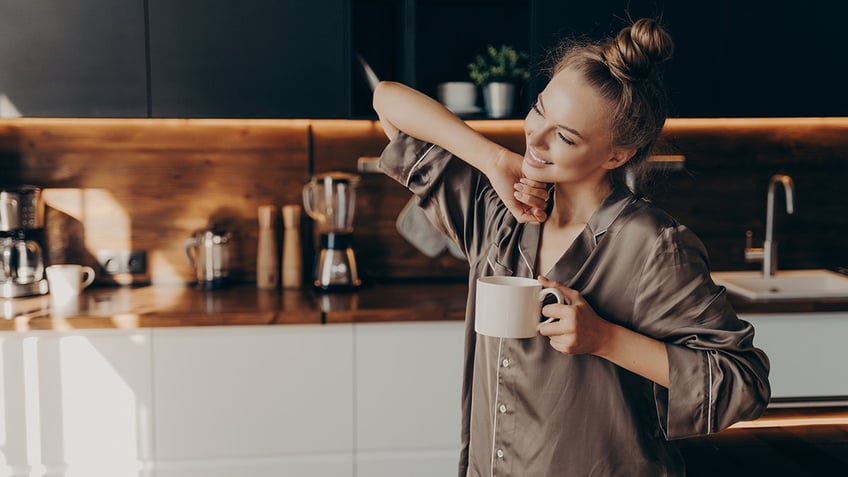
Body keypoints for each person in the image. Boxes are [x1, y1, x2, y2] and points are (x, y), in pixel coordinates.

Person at [373, 17, 770, 477]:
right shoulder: (497, 214)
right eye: (539, 110)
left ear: (616, 155)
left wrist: (605, 339)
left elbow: (742, 382)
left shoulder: (651, 245)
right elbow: (387, 100)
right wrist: (493, 158)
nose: (535, 139)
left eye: (564, 136)